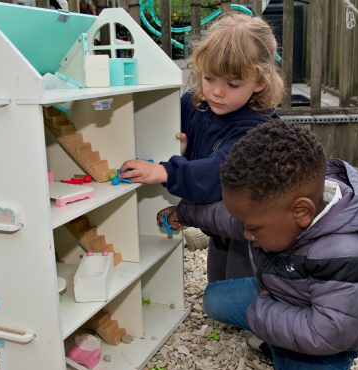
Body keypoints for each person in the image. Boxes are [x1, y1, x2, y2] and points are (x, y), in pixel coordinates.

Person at [158, 120, 358, 370]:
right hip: (280, 296)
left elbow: (328, 332)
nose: (247, 234)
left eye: (253, 228)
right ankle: (276, 339)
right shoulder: (276, 209)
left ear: (302, 213)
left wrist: (263, 311)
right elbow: (227, 218)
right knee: (213, 300)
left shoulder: (348, 252)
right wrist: (184, 214)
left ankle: (289, 351)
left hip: (328, 339)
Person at [117, 13, 284, 282]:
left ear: (260, 82)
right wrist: (178, 149)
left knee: (241, 294)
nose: (217, 92)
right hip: (220, 223)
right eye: (209, 78)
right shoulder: (196, 103)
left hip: (254, 229)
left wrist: (165, 172)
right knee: (217, 282)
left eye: (232, 84)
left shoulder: (257, 127)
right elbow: (171, 131)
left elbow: (222, 171)